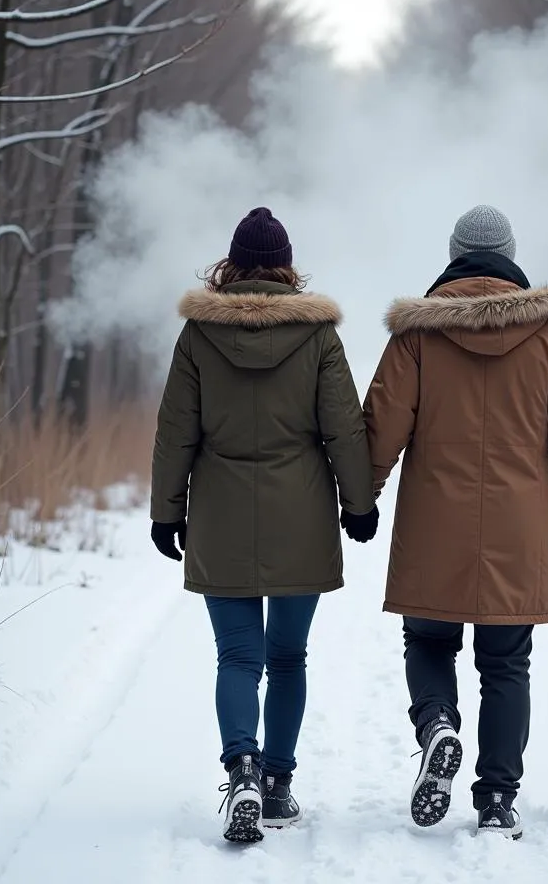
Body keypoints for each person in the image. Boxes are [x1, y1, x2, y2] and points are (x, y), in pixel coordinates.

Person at [362, 204, 548, 840]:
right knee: (506, 664)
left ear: (453, 254)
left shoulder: (417, 333)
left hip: (434, 523)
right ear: (511, 255)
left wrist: (358, 498)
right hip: (518, 529)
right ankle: (496, 799)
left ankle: (438, 723)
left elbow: (380, 426)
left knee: (430, 642)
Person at [150, 207, 378, 844]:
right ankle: (277, 784)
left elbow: (175, 432)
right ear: (285, 265)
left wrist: (167, 511)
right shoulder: (318, 335)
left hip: (220, 513)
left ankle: (240, 766)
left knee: (238, 657)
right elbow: (343, 427)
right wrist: (358, 504)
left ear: (231, 263)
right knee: (287, 657)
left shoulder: (198, 334)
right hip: (300, 515)